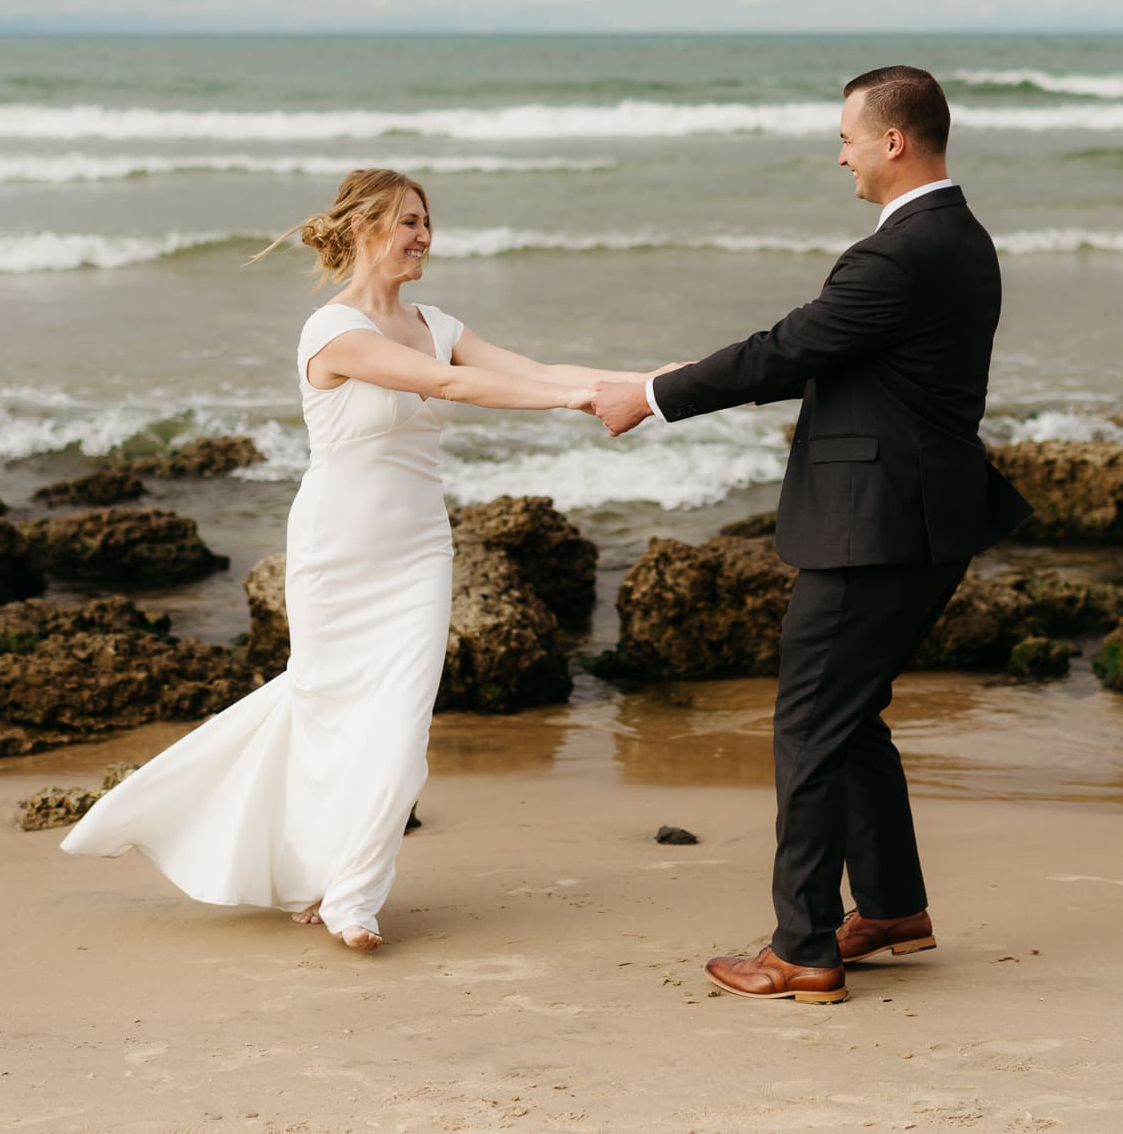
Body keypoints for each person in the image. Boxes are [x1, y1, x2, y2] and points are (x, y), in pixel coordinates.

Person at [63, 168, 648, 952]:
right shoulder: (329, 331)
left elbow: (532, 370)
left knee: (401, 732)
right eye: (408, 221)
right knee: (327, 714)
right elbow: (449, 384)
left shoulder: (437, 319)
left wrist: (646, 382)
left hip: (417, 552)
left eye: (428, 222)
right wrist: (576, 401)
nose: (424, 236)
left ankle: (353, 897)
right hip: (336, 552)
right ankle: (234, 835)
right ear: (366, 227)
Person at [591, 66, 1032, 1003]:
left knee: (809, 724)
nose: (839, 155)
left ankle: (803, 947)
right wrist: (694, 372)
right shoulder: (965, 240)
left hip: (873, 529)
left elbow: (792, 345)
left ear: (894, 142)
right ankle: (892, 906)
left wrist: (656, 395)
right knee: (850, 712)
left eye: (847, 137)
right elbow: (827, 351)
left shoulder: (897, 254)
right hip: (927, 519)